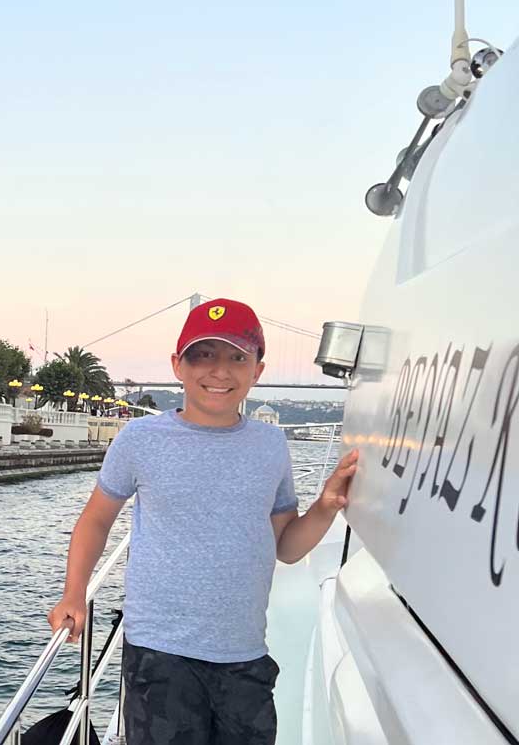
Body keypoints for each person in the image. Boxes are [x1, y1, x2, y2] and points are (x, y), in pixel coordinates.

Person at [47, 298, 358, 745]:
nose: (219, 371)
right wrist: (74, 593)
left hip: (245, 655)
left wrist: (327, 504)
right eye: (202, 355)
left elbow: (286, 547)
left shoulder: (271, 445)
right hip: (160, 654)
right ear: (177, 365)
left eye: (236, 356)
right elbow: (96, 520)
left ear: (258, 369)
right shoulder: (140, 439)